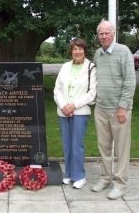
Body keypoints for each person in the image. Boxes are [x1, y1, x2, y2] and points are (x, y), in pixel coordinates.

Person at [91, 19, 136, 200]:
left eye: (107, 33)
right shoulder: (97, 54)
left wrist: (123, 107)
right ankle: (105, 178)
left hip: (119, 110)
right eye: (101, 33)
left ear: (113, 33)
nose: (104, 36)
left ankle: (120, 184)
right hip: (101, 108)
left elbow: (130, 81)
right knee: (104, 147)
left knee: (122, 148)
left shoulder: (123, 51)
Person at [53, 38, 97, 189]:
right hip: (63, 111)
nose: (77, 52)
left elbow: (92, 93)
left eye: (80, 49)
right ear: (71, 51)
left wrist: (73, 106)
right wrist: (64, 106)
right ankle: (69, 175)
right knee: (67, 145)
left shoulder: (91, 67)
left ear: (85, 50)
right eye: (74, 49)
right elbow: (57, 89)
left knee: (77, 144)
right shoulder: (65, 66)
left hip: (80, 112)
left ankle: (80, 176)